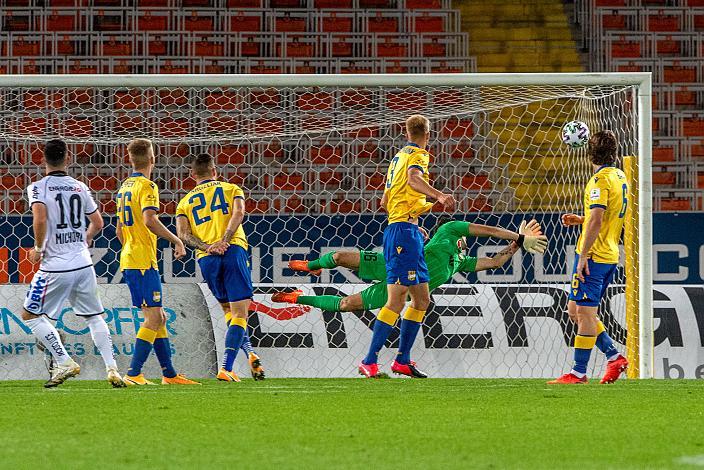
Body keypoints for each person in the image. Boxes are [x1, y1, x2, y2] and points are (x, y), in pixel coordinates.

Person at [273, 219, 547, 318]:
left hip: (400, 291)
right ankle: (311, 266)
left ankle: (298, 297)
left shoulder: (460, 262)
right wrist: (517, 236)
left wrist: (516, 247)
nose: (466, 240)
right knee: (340, 256)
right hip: (393, 265)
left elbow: (496, 262)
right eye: (465, 237)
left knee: (346, 304)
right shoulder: (446, 233)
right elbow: (486, 230)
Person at [22, 138, 125, 388]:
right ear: (68, 158)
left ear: (43, 159)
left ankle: (64, 360)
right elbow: (98, 223)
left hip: (55, 266)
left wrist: (38, 248)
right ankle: (112, 369)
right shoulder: (80, 187)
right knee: (94, 317)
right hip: (83, 264)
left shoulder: (38, 187)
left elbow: (40, 217)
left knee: (30, 315)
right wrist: (84, 239)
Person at [362, 114, 456, 379]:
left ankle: (402, 360)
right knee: (396, 299)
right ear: (428, 134)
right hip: (403, 232)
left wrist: (413, 219)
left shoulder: (396, 159)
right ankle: (369, 360)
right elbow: (415, 180)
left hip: (405, 229)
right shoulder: (418, 155)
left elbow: (384, 202)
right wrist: (438, 195)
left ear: (406, 132)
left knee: (422, 299)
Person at [548, 130, 629, 385]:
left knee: (583, 311)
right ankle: (614, 356)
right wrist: (581, 219)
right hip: (610, 252)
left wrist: (583, 255)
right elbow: (605, 216)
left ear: (588, 152)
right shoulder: (619, 175)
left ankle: (578, 372)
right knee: (575, 310)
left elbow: (597, 218)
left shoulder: (599, 180)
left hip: (594, 255)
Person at [116, 138, 198, 386]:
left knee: (159, 317)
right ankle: (133, 373)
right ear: (153, 159)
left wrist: (133, 247)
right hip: (141, 261)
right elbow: (150, 219)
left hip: (132, 257)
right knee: (153, 319)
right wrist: (177, 240)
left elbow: (120, 230)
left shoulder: (124, 187)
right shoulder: (147, 186)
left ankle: (169, 374)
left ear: (130, 160)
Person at [175, 154, 262, 382]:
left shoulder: (184, 202)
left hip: (207, 258)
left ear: (192, 175)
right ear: (215, 171)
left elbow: (183, 235)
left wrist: (208, 247)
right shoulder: (231, 188)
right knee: (240, 313)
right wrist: (224, 240)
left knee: (228, 311)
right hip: (232, 250)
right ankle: (226, 367)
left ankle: (250, 352)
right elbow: (239, 213)